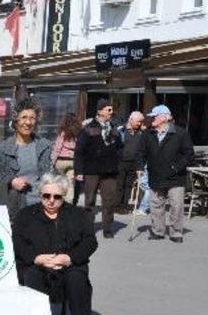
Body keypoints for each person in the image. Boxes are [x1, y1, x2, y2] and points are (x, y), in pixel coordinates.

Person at [13, 172, 98, 315]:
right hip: (37, 266)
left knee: (78, 282)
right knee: (33, 281)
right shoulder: (26, 215)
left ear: (64, 196)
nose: (51, 201)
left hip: (69, 265)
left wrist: (70, 257)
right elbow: (17, 242)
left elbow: (90, 242)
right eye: (46, 196)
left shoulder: (78, 215)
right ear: (40, 194)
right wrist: (36, 258)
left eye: (57, 197)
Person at [136, 105, 195, 243]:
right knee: (156, 205)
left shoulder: (180, 133)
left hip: (175, 177)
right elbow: (140, 153)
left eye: (154, 117)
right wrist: (139, 167)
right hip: (155, 175)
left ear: (165, 118)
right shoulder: (148, 134)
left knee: (176, 206)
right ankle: (158, 231)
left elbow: (189, 155)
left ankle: (176, 233)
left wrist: (176, 167)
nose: (152, 119)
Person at [0, 98, 53, 221]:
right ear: (16, 121)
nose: (28, 122)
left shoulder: (45, 146)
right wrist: (11, 181)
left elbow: (51, 174)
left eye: (32, 118)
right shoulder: (2, 148)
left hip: (41, 207)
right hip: (14, 208)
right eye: (23, 117)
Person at [74, 99, 122, 238]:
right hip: (92, 170)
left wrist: (117, 161)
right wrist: (79, 171)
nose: (111, 112)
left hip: (110, 170)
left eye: (112, 110)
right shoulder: (88, 128)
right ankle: (88, 229)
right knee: (89, 201)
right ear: (100, 111)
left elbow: (120, 147)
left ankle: (108, 229)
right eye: (109, 110)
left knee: (109, 201)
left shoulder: (114, 128)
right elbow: (79, 151)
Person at [116, 111, 146, 213]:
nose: (140, 124)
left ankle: (124, 206)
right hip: (120, 162)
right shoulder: (121, 130)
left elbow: (142, 151)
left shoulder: (141, 133)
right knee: (119, 185)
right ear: (131, 120)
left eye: (141, 122)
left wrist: (140, 167)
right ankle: (117, 206)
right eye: (138, 121)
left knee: (129, 186)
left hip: (134, 163)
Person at [51, 113, 81, 205]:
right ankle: (69, 204)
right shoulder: (78, 133)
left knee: (60, 183)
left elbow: (57, 148)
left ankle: (59, 203)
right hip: (72, 162)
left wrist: (52, 161)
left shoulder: (63, 133)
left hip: (61, 161)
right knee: (70, 184)